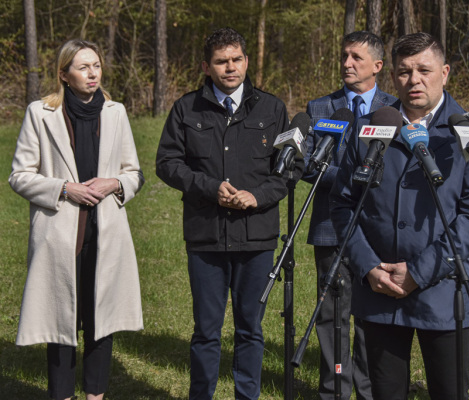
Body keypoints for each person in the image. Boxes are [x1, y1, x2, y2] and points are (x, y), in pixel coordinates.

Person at [329, 32, 469, 400]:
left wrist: (419, 273)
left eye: (424, 70)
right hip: (380, 290)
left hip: (443, 291)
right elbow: (343, 205)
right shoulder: (369, 128)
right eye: (405, 72)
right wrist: (368, 267)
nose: (414, 80)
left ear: (445, 73)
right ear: (392, 75)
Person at [155, 27, 301, 400]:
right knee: (206, 331)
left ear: (247, 61)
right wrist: (209, 187)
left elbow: (289, 170)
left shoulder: (272, 109)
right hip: (206, 236)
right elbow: (167, 163)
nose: (230, 67)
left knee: (250, 329)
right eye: (221, 61)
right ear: (207, 66)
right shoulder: (186, 108)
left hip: (256, 237)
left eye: (236, 59)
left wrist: (257, 196)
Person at [9, 39, 144, 400]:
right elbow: (19, 175)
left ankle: (95, 396)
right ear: (64, 74)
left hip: (106, 233)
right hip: (59, 236)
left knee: (102, 320)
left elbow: (134, 172)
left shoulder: (116, 112)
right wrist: (64, 189)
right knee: (61, 321)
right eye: (83, 67)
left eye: (96, 65)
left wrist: (114, 183)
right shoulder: (40, 113)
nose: (92, 73)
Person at [302, 30, 396, 400]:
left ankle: (369, 390)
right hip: (331, 225)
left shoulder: (395, 108)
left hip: (378, 229)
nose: (346, 63)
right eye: (344, 56)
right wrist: (352, 177)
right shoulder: (320, 108)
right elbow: (309, 165)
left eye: (356, 57)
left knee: (371, 317)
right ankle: (334, 391)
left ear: (377, 65)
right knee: (332, 315)